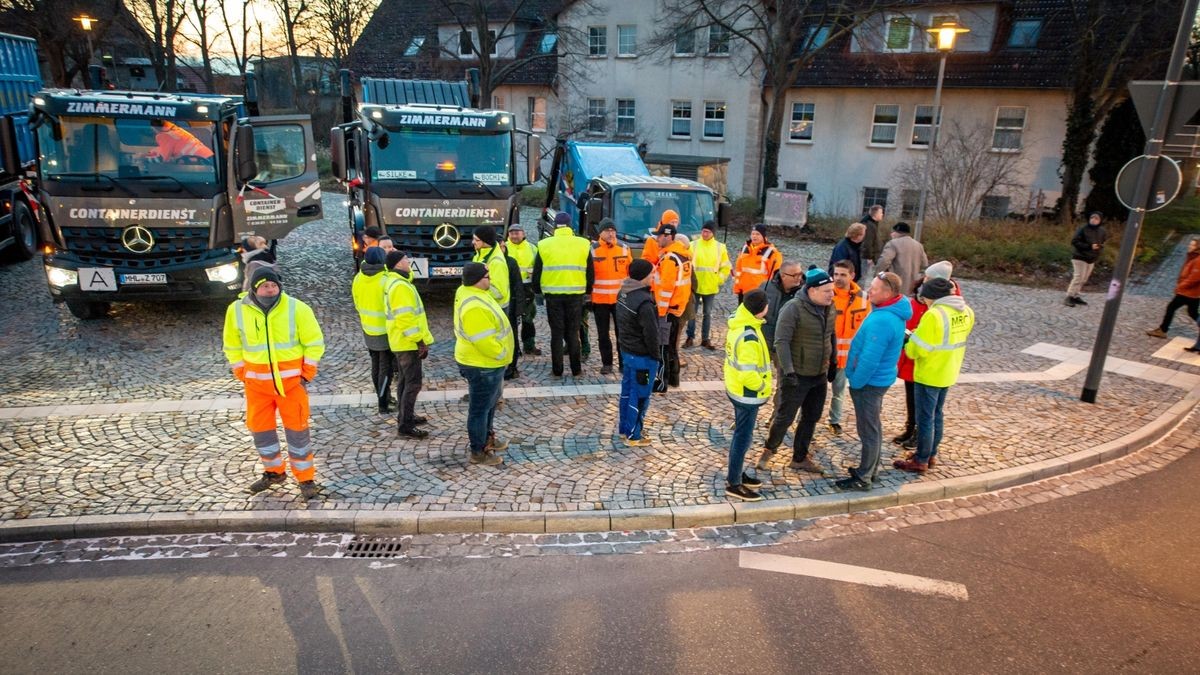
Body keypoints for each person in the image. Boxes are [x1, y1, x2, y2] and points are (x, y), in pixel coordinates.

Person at [223, 267, 325, 500]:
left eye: (274, 285)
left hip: (291, 386)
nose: (270, 289)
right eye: (265, 286)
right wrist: (241, 372)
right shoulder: (236, 310)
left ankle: (306, 478)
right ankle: (274, 472)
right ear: (254, 288)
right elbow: (231, 343)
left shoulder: (297, 308)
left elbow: (314, 342)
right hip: (256, 387)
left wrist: (306, 374)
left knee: (298, 434)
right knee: (261, 432)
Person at [833, 271, 911, 491]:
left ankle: (864, 477)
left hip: (869, 383)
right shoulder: (889, 312)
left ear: (887, 293)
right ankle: (870, 469)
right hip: (877, 380)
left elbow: (869, 359)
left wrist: (855, 381)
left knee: (868, 430)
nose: (869, 292)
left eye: (874, 289)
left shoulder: (883, 320)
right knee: (873, 426)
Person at [893, 277, 976, 473]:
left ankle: (920, 459)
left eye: (927, 299)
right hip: (948, 370)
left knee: (925, 418)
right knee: (937, 415)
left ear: (933, 298)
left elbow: (915, 351)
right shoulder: (967, 311)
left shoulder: (934, 315)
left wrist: (910, 339)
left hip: (929, 373)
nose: (926, 303)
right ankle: (931, 454)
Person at [758, 266, 835, 475]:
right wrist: (788, 371)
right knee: (785, 417)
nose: (832, 295)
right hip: (797, 375)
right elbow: (781, 341)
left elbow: (830, 334)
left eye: (832, 290)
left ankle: (799, 457)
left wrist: (833, 361)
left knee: (812, 416)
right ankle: (769, 449)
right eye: (827, 291)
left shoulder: (830, 307)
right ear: (812, 291)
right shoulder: (793, 308)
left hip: (818, 373)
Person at [894, 261, 958, 448]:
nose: (925, 280)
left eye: (930, 278)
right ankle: (911, 427)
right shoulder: (922, 293)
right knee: (912, 396)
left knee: (928, 410)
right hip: (915, 354)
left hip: (930, 358)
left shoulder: (948, 301)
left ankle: (921, 442)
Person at [454, 262, 512, 466]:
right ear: (477, 280)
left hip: (485, 363)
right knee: (480, 409)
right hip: (483, 364)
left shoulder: (472, 293)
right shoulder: (474, 306)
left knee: (488, 405)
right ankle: (478, 451)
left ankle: (487, 439)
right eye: (487, 277)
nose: (490, 279)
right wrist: (501, 354)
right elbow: (483, 340)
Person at [723, 289, 773, 502]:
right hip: (747, 394)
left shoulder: (741, 322)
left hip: (736, 389)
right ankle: (734, 482)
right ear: (761, 310)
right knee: (743, 438)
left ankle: (737, 473)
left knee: (742, 436)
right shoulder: (749, 336)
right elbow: (748, 373)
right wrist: (763, 386)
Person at [533, 211, 594, 377]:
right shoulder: (583, 244)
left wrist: (537, 292)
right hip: (576, 295)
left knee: (556, 333)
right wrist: (588, 292)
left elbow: (537, 271)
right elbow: (590, 271)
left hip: (553, 295)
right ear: (570, 226)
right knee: (574, 333)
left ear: (554, 226)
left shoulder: (544, 244)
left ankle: (557, 369)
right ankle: (576, 369)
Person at [385, 250, 433, 439]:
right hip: (407, 342)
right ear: (398, 264)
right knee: (413, 384)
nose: (408, 261)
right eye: (405, 259)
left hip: (401, 341)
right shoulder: (401, 287)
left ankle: (405, 415)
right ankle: (405, 425)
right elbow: (405, 319)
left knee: (405, 382)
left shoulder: (398, 282)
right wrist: (419, 341)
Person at [616, 259, 660, 446]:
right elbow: (651, 333)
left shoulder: (623, 293)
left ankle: (624, 429)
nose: (653, 276)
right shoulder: (645, 302)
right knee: (640, 395)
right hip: (642, 356)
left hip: (627, 351)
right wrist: (656, 356)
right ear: (643, 277)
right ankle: (634, 435)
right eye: (651, 273)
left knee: (627, 391)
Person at [351, 246, 395, 414]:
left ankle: (382, 398)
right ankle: (383, 403)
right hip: (385, 331)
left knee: (375, 365)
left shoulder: (358, 278)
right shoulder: (385, 279)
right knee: (385, 369)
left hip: (368, 329)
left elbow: (356, 302)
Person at [828, 259, 870, 435]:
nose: (838, 278)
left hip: (847, 358)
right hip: (825, 355)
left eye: (842, 275)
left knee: (839, 392)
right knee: (813, 393)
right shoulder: (826, 294)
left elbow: (867, 329)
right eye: (836, 274)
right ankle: (804, 419)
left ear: (852, 275)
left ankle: (834, 421)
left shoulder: (864, 299)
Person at [652, 224, 693, 389]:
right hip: (678, 307)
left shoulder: (670, 259)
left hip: (667, 310)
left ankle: (662, 382)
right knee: (671, 347)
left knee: (663, 347)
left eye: (659, 236)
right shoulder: (683, 256)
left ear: (668, 236)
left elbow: (666, 289)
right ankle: (674, 379)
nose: (656, 239)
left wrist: (660, 312)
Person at [591, 218, 632, 375]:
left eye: (613, 230)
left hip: (620, 300)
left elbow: (631, 273)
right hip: (599, 300)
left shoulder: (624, 249)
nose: (611, 233)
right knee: (603, 334)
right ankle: (606, 363)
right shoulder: (593, 250)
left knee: (622, 334)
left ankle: (623, 363)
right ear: (600, 232)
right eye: (607, 230)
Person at [686, 220, 732, 349]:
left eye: (708, 231)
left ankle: (705, 339)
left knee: (707, 313)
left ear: (713, 233)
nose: (705, 233)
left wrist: (719, 280)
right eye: (703, 231)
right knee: (691, 314)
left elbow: (726, 267)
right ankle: (690, 337)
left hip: (711, 286)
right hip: (694, 286)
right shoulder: (692, 245)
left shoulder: (720, 247)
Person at [1146, 236, 1200, 338]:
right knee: (1192, 313)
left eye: (1193, 245)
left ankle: (1162, 330)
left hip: (1188, 292)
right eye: (1190, 244)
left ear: (1198, 247)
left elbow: (1194, 278)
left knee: (1171, 307)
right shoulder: (1193, 257)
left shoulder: (1198, 260)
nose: (1189, 246)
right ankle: (1162, 329)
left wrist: (1181, 286)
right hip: (1191, 293)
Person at [506, 224, 541, 355]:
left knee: (528, 318)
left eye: (517, 233)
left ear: (523, 234)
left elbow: (538, 267)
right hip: (510, 287)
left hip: (527, 288)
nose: (514, 236)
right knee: (510, 320)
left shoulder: (532, 248)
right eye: (512, 233)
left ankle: (529, 345)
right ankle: (513, 348)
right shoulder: (504, 247)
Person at [876, 221, 928, 301]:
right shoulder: (919, 245)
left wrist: (878, 275)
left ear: (897, 232)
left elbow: (884, 261)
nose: (891, 234)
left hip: (894, 283)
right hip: (912, 285)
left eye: (893, 232)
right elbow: (925, 264)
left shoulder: (892, 244)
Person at [1065, 211, 1106, 307]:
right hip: (1080, 257)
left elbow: (1103, 242)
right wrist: (1089, 246)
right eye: (1092, 217)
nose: (1093, 220)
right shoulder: (1083, 229)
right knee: (1078, 277)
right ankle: (1069, 296)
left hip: (1091, 258)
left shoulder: (1102, 231)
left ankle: (1075, 295)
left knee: (1084, 279)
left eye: (1096, 218)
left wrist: (1099, 248)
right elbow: (1074, 241)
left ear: (1100, 220)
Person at [733, 224, 783, 302]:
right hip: (743, 291)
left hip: (759, 292)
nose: (754, 236)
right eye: (753, 234)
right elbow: (739, 269)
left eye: (757, 234)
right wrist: (737, 287)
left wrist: (769, 291)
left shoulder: (772, 252)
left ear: (764, 236)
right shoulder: (745, 248)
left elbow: (775, 274)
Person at [472, 225, 511, 311]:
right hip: (486, 305)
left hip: (496, 308)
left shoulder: (497, 262)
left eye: (476, 240)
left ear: (486, 242)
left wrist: (474, 292)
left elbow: (499, 292)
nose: (473, 242)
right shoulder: (479, 254)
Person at [147, 120, 213, 162]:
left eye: (152, 129)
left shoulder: (163, 136)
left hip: (200, 161)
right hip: (209, 157)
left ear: (155, 128)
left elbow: (164, 159)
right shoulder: (177, 130)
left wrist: (143, 158)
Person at [859, 204, 884, 278]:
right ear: (875, 214)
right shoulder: (869, 225)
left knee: (865, 276)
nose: (882, 214)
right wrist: (869, 257)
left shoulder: (872, 224)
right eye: (881, 212)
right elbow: (867, 242)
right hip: (866, 257)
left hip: (870, 256)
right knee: (863, 277)